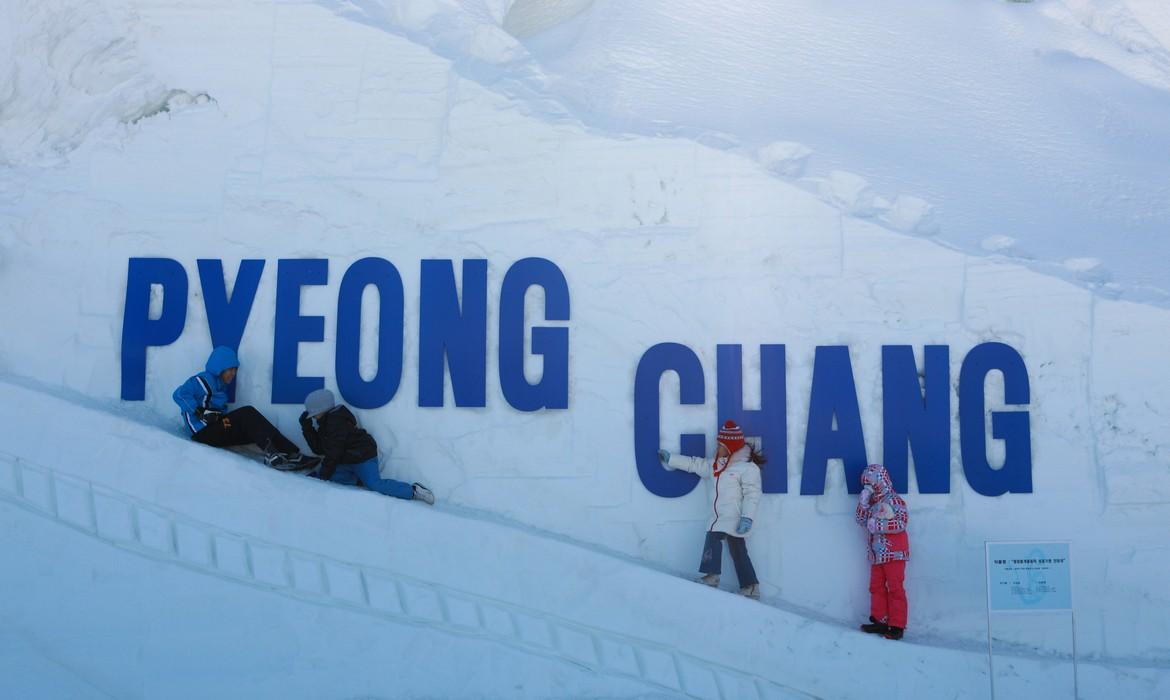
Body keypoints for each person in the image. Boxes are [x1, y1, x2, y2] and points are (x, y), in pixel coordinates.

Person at [657, 419, 764, 599]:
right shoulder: (716, 465)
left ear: (730, 447)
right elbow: (695, 464)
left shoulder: (746, 468)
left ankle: (732, 582)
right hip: (718, 516)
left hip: (735, 517)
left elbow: (752, 494)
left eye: (721, 445)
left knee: (727, 546)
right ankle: (738, 583)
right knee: (727, 545)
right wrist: (672, 459)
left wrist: (747, 518)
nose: (717, 448)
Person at [173, 346, 318, 470]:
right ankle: (275, 455)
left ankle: (291, 455)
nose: (233, 373)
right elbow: (179, 394)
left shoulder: (220, 387)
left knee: (253, 426)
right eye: (229, 369)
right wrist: (199, 411)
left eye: (234, 370)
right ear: (219, 367)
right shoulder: (203, 380)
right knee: (247, 414)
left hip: (211, 430)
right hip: (201, 432)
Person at [299, 388, 435, 504]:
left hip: (362, 456)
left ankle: (413, 491)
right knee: (333, 476)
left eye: (314, 415)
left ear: (323, 409)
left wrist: (323, 475)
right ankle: (360, 478)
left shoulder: (336, 422)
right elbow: (319, 449)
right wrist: (307, 428)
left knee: (374, 484)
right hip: (347, 458)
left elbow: (334, 452)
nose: (313, 418)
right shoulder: (325, 424)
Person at [855, 463, 910, 640]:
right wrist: (863, 504)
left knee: (895, 587)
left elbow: (901, 522)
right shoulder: (873, 503)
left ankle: (897, 624)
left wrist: (879, 525)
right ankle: (880, 619)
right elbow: (860, 521)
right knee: (876, 587)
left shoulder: (894, 500)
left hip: (894, 553)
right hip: (877, 555)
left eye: (871, 483)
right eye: (866, 484)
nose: (869, 487)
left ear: (880, 481)